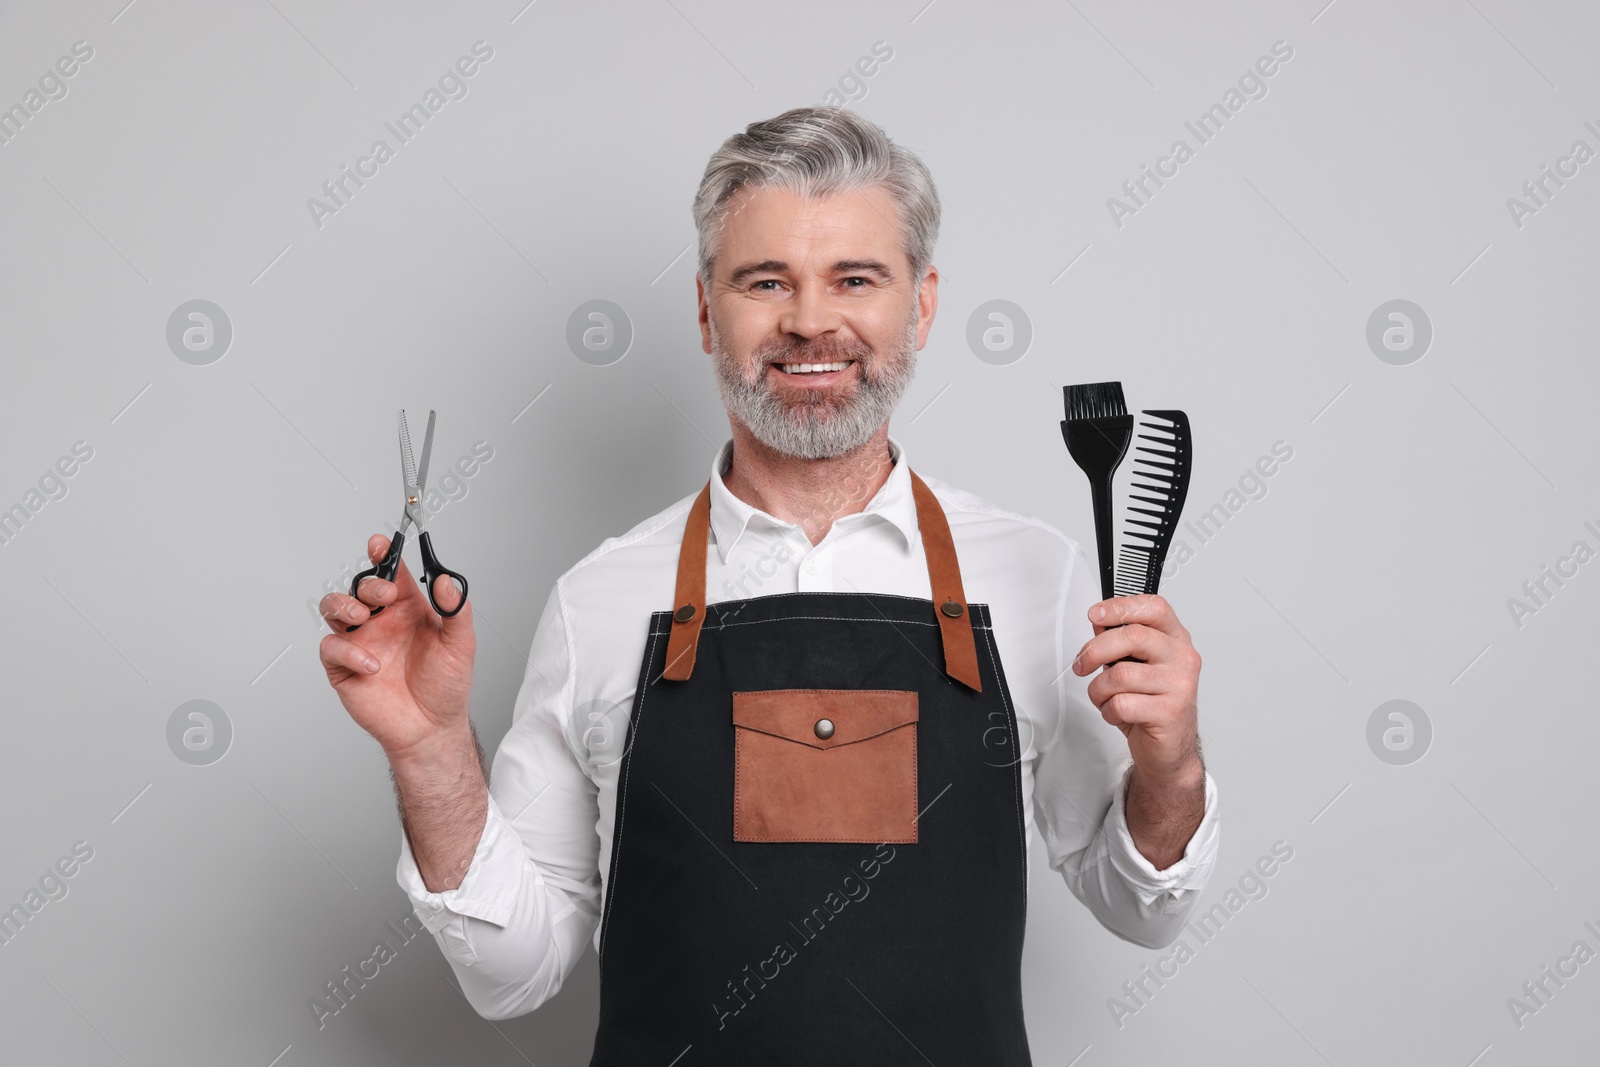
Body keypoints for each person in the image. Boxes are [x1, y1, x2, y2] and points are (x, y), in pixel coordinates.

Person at [318, 106, 1219, 1063]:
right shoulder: (600, 599)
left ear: (921, 303)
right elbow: (512, 976)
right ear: (708, 310)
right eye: (766, 281)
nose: (810, 320)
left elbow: (1143, 911)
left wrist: (1173, 767)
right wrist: (429, 751)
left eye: (855, 279)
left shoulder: (1034, 574)